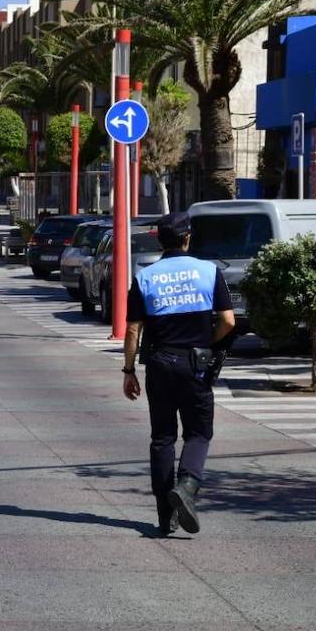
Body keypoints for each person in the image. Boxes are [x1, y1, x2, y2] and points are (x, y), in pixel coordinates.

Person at [123, 212, 236, 536]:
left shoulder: (145, 277)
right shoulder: (208, 272)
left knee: (162, 439)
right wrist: (205, 343)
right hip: (194, 364)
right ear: (187, 238)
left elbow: (133, 330)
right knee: (199, 433)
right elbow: (228, 322)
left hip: (159, 362)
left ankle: (165, 517)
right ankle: (187, 485)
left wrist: (129, 370)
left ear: (160, 240)